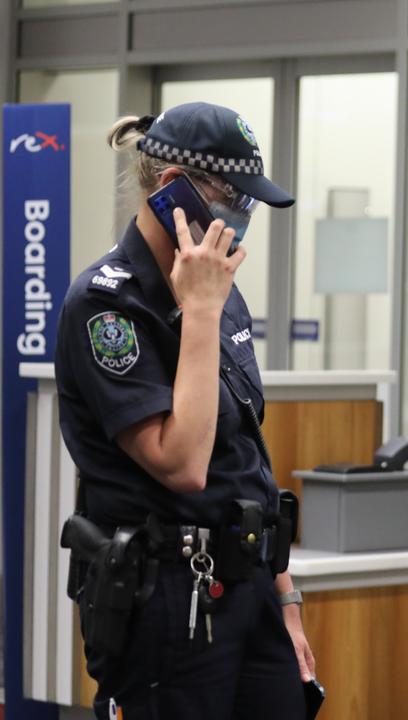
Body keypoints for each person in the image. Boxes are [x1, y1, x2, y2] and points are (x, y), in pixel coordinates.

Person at [55, 102, 314, 719]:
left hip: (249, 587)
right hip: (170, 598)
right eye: (234, 200)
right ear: (173, 190)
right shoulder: (105, 306)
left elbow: (248, 455)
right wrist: (198, 312)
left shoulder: (219, 293)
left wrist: (287, 603)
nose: (243, 218)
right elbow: (183, 463)